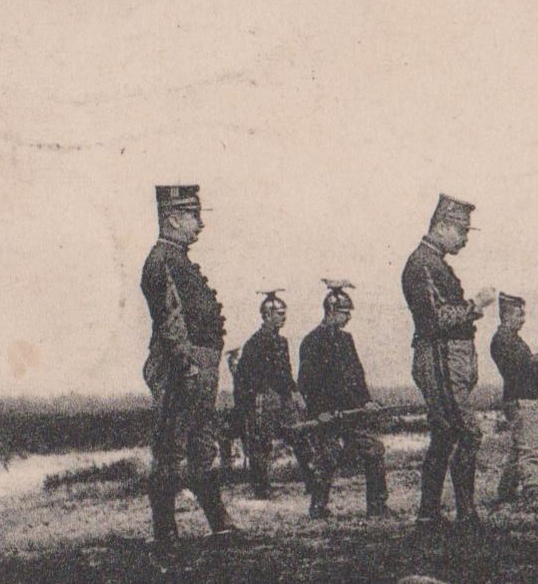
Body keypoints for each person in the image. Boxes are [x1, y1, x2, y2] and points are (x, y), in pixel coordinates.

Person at [140, 185, 235, 551]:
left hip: (198, 366)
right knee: (170, 449)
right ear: (173, 218)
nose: (200, 225)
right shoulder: (162, 260)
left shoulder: (175, 258)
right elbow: (169, 320)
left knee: (200, 446)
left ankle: (220, 525)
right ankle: (165, 532)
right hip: (184, 368)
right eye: (194, 216)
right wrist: (185, 364)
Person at [401, 194, 496, 532]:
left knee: (444, 435)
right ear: (441, 226)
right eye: (462, 231)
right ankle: (466, 514)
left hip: (447, 360)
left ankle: (429, 514)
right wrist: (475, 305)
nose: (465, 239)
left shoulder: (431, 262)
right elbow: (434, 319)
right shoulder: (422, 264)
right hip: (440, 357)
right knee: (467, 432)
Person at [297, 280, 390, 518]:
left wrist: (366, 401)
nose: (348, 317)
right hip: (326, 414)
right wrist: (320, 412)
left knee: (374, 450)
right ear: (331, 311)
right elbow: (307, 383)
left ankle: (377, 506)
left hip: (351, 413)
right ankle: (318, 507)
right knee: (327, 457)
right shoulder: (311, 342)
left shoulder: (347, 340)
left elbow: (357, 376)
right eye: (344, 313)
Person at [232, 290, 323, 502]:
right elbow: (248, 377)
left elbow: (286, 372)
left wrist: (294, 392)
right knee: (261, 444)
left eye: (284, 313)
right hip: (263, 398)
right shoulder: (254, 343)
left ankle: (313, 482)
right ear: (266, 315)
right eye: (279, 313)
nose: (284, 317)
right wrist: (255, 400)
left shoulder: (282, 342)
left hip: (283, 396)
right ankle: (261, 489)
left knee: (299, 435)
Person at [489, 292, 538, 501]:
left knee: (519, 448)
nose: (523, 319)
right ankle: (531, 491)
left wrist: (537, 363)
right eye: (519, 314)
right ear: (507, 316)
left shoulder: (510, 340)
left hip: (519, 399)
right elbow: (520, 370)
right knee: (530, 449)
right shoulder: (504, 340)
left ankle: (506, 491)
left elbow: (532, 371)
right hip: (522, 400)